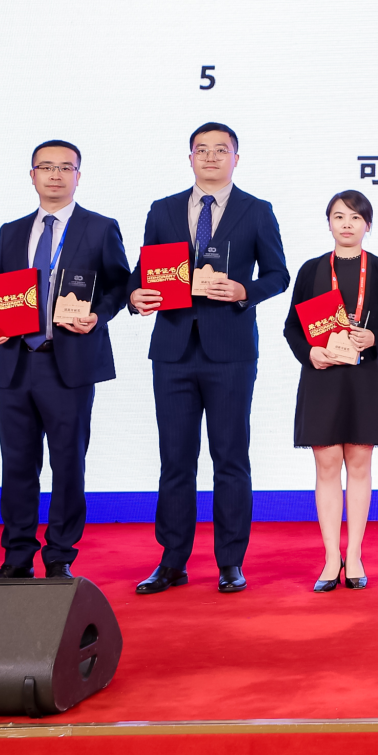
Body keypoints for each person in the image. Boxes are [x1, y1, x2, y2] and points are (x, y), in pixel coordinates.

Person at [129, 122, 289, 596]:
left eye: (222, 150)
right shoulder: (163, 209)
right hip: (173, 350)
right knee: (175, 460)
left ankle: (230, 561)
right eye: (203, 150)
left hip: (230, 353)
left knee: (230, 458)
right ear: (190, 158)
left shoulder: (256, 210)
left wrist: (244, 291)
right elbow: (143, 272)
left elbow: (278, 274)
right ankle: (171, 561)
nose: (212, 157)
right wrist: (136, 296)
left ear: (236, 158)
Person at [0, 140, 131, 578]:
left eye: (66, 167)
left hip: (69, 364)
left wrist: (98, 316)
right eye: (46, 167)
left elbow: (120, 286)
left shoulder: (99, 228)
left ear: (78, 175)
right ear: (32, 176)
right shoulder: (12, 231)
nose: (56, 175)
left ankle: (60, 555)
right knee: (17, 465)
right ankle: (17, 556)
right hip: (16, 362)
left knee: (67, 464)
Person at [283, 190, 378, 592]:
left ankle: (353, 554)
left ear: (367, 225)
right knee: (325, 469)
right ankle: (329, 558)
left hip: (364, 377)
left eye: (355, 217)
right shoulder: (311, 270)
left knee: (359, 467)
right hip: (322, 377)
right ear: (328, 223)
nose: (347, 224)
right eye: (339, 216)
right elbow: (291, 327)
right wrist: (310, 352)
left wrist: (374, 338)